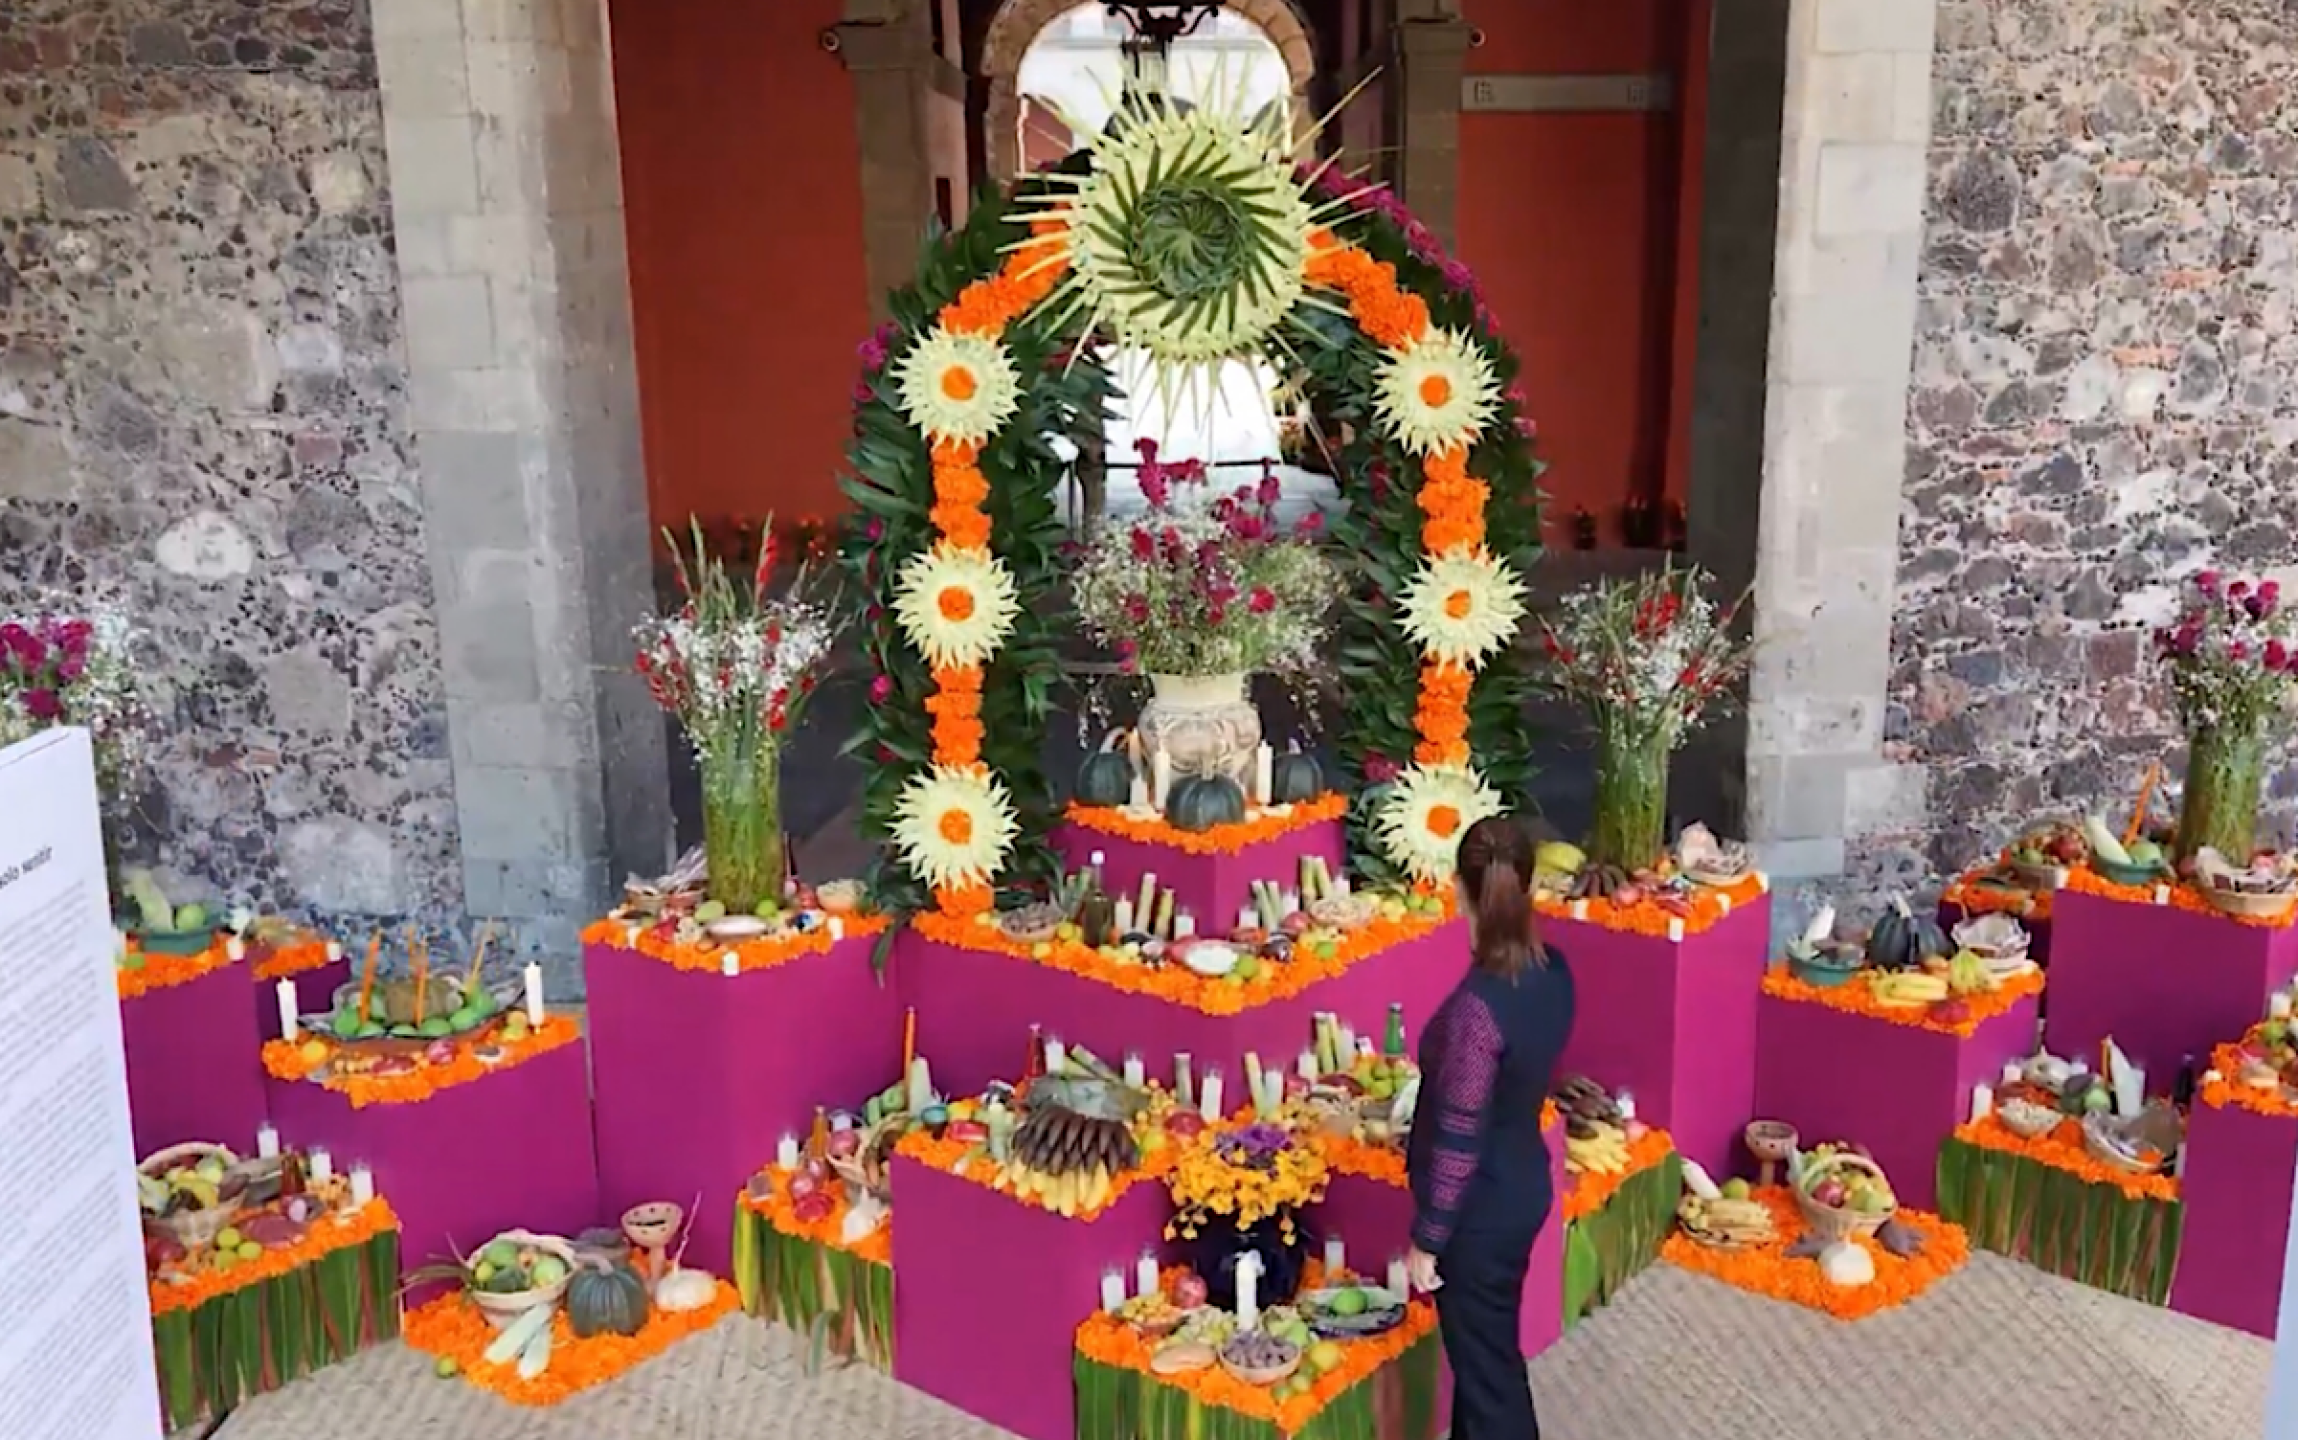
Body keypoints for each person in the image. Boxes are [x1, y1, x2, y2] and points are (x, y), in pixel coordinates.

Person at [1403, 815, 1576, 1440]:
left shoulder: (1477, 1012)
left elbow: (1460, 1140)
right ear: (1527, 886)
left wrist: (1428, 1239)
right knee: (1484, 1360)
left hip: (1479, 1214)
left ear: (1459, 891)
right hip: (1523, 1183)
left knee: (1489, 1380)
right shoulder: (1553, 971)